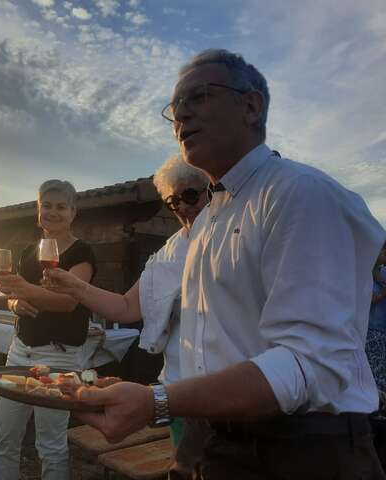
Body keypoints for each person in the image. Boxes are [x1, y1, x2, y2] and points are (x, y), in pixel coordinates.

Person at [71, 49, 386, 479]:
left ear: (251, 106)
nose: (181, 115)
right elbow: (213, 350)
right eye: (175, 108)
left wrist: (158, 402)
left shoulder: (299, 194)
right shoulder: (208, 223)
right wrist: (154, 395)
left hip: (298, 451)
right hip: (208, 438)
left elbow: (309, 365)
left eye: (197, 97)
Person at [46, 154, 210, 478]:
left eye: (191, 194)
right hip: (178, 392)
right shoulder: (170, 252)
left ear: (212, 188)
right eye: (172, 200)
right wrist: (74, 287)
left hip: (234, 394)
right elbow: (125, 307)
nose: (182, 206)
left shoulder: (239, 238)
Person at [0, 179, 96, 480]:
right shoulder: (27, 253)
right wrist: (14, 304)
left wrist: (24, 290)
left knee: (50, 444)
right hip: (19, 351)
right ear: (38, 211)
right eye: (46, 206)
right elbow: (13, 295)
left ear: (73, 212)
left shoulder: (82, 253)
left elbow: (67, 302)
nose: (52, 212)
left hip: (59, 358)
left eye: (61, 207)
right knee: (5, 440)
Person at [368, 242, 386, 391]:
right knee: (374, 372)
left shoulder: (380, 272)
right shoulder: (367, 272)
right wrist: (382, 294)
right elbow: (369, 298)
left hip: (380, 330)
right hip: (371, 331)